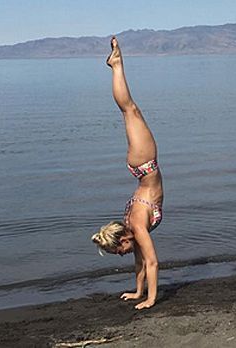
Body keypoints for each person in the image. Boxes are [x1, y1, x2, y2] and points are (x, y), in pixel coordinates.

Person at [91, 37, 163, 310]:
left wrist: (151, 300)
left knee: (129, 109)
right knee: (128, 111)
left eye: (116, 250)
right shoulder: (133, 229)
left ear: (123, 239)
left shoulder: (136, 225)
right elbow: (141, 261)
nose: (120, 255)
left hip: (145, 163)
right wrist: (138, 292)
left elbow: (153, 262)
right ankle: (116, 65)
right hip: (141, 166)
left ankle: (117, 65)